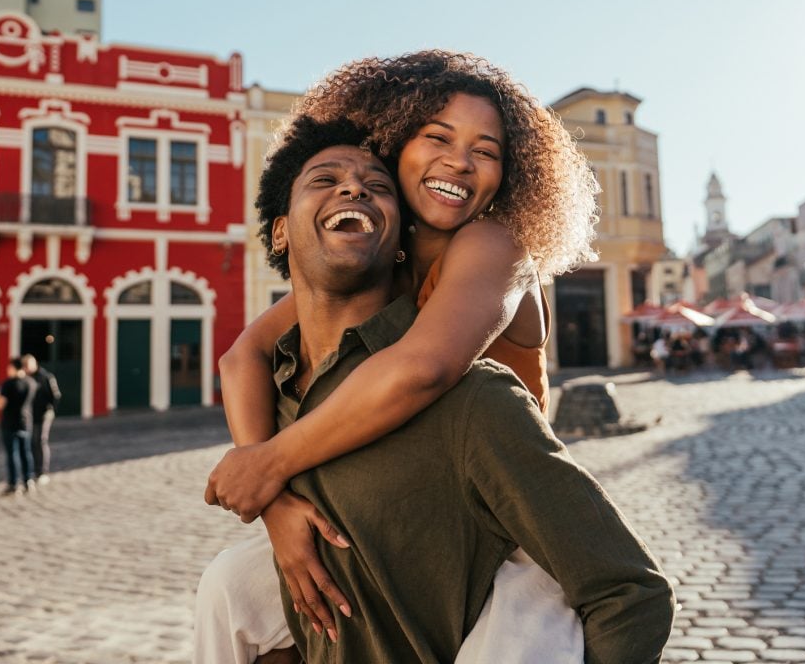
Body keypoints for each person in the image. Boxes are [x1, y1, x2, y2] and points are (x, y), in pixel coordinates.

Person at [199, 124, 674, 662]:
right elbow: (240, 356)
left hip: (513, 535)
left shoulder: (493, 245)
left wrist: (265, 465)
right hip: (420, 517)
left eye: (485, 148)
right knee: (229, 587)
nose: (459, 162)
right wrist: (275, 505)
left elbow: (426, 367)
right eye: (437, 139)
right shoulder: (305, 354)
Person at [0, 357, 37, 496]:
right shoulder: (31, 382)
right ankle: (28, 481)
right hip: (25, 422)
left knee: (12, 454)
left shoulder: (8, 384)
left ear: (13, 367)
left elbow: (0, 404)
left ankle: (13, 484)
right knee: (26, 453)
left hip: (9, 423)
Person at [22, 354, 61, 485]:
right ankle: (33, 470)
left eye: (28, 365)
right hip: (31, 415)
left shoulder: (46, 377)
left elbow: (56, 395)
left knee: (41, 440)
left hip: (44, 414)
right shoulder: (26, 378)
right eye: (25, 366)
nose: (27, 368)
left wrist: (50, 410)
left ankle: (43, 472)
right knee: (32, 441)